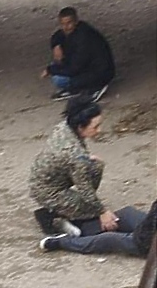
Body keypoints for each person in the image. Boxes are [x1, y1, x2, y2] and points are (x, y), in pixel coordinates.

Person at [29, 96, 119, 237]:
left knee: (95, 166)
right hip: (48, 190)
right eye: (95, 127)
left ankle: (73, 207)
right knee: (90, 212)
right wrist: (102, 211)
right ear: (80, 127)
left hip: (50, 177)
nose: (99, 130)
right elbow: (84, 188)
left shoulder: (65, 127)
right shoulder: (75, 156)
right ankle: (51, 218)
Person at [40, 7, 115, 102]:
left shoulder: (84, 38)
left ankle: (95, 87)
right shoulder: (74, 31)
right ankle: (79, 87)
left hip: (100, 72)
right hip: (87, 67)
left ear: (76, 21)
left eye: (69, 23)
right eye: (62, 24)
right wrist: (56, 46)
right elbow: (57, 35)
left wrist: (50, 70)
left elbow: (74, 68)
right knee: (58, 68)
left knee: (60, 79)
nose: (66, 27)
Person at [39, 199, 157, 257]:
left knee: (108, 239)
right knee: (126, 214)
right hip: (150, 224)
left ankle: (63, 242)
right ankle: (81, 229)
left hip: (149, 243)